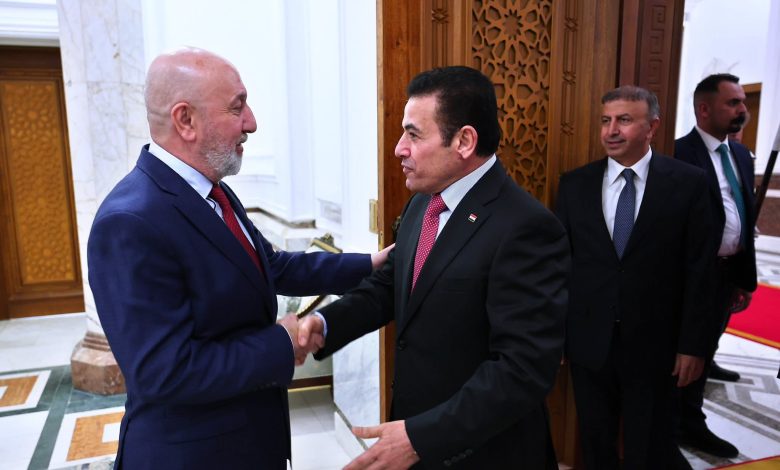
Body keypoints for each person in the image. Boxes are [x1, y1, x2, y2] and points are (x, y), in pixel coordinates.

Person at [87, 47, 388, 469]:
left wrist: (372, 264)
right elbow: (164, 372)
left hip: (247, 441)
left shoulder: (213, 192)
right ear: (185, 120)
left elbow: (272, 266)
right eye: (237, 107)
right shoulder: (130, 222)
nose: (252, 122)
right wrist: (281, 343)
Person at [298, 66, 569, 469]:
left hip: (483, 452)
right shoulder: (423, 203)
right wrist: (326, 324)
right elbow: (391, 286)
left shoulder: (526, 228)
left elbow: (522, 369)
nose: (399, 149)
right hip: (418, 433)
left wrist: (422, 438)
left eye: (414, 134)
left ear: (464, 141)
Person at [555, 86, 717, 469]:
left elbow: (701, 271)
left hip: (657, 345)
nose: (611, 130)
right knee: (596, 440)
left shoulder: (689, 183)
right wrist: (556, 335)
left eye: (624, 120)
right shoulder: (575, 185)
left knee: (651, 444)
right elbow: (560, 265)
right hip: (589, 341)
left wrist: (693, 347)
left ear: (652, 127)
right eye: (606, 121)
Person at [674, 73, 757, 458]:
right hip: (691, 276)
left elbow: (744, 213)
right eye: (733, 102)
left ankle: (690, 418)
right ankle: (678, 422)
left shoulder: (740, 154)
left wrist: (743, 277)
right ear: (704, 109)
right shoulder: (677, 153)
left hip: (727, 273)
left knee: (706, 348)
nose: (742, 109)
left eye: (742, 101)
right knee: (683, 352)